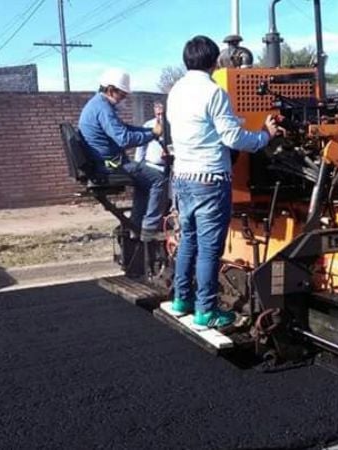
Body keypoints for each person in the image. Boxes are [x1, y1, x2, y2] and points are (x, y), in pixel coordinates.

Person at [166, 35, 281, 330]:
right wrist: (264, 134)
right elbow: (232, 139)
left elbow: (197, 127)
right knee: (208, 249)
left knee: (188, 240)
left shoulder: (175, 91)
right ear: (215, 61)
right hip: (210, 180)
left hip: (183, 178)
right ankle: (206, 311)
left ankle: (182, 300)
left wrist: (234, 119)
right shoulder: (214, 92)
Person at [78, 68, 166, 241]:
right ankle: (150, 228)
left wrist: (148, 130)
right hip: (110, 165)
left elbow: (124, 129)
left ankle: (135, 226)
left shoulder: (96, 105)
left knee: (144, 183)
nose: (124, 99)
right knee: (159, 179)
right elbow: (124, 139)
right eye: (123, 94)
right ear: (111, 90)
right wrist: (153, 134)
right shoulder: (103, 108)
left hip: (103, 163)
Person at [135, 101, 171, 216]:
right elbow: (141, 149)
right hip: (152, 166)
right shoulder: (148, 125)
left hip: (170, 168)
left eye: (162, 114)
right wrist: (138, 166)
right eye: (158, 114)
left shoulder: (173, 126)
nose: (160, 117)